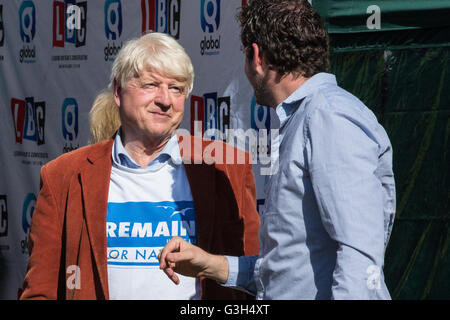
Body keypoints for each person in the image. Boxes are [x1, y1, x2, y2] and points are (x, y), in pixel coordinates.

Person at [159, 0, 396, 300]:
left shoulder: (328, 116)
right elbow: (285, 272)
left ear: (256, 56)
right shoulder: (307, 118)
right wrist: (210, 264)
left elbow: (359, 255)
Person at [19, 32, 260, 300]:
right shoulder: (63, 176)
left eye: (177, 88)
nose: (165, 100)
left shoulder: (224, 168)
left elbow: (256, 275)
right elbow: (41, 290)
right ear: (118, 91)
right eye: (151, 85)